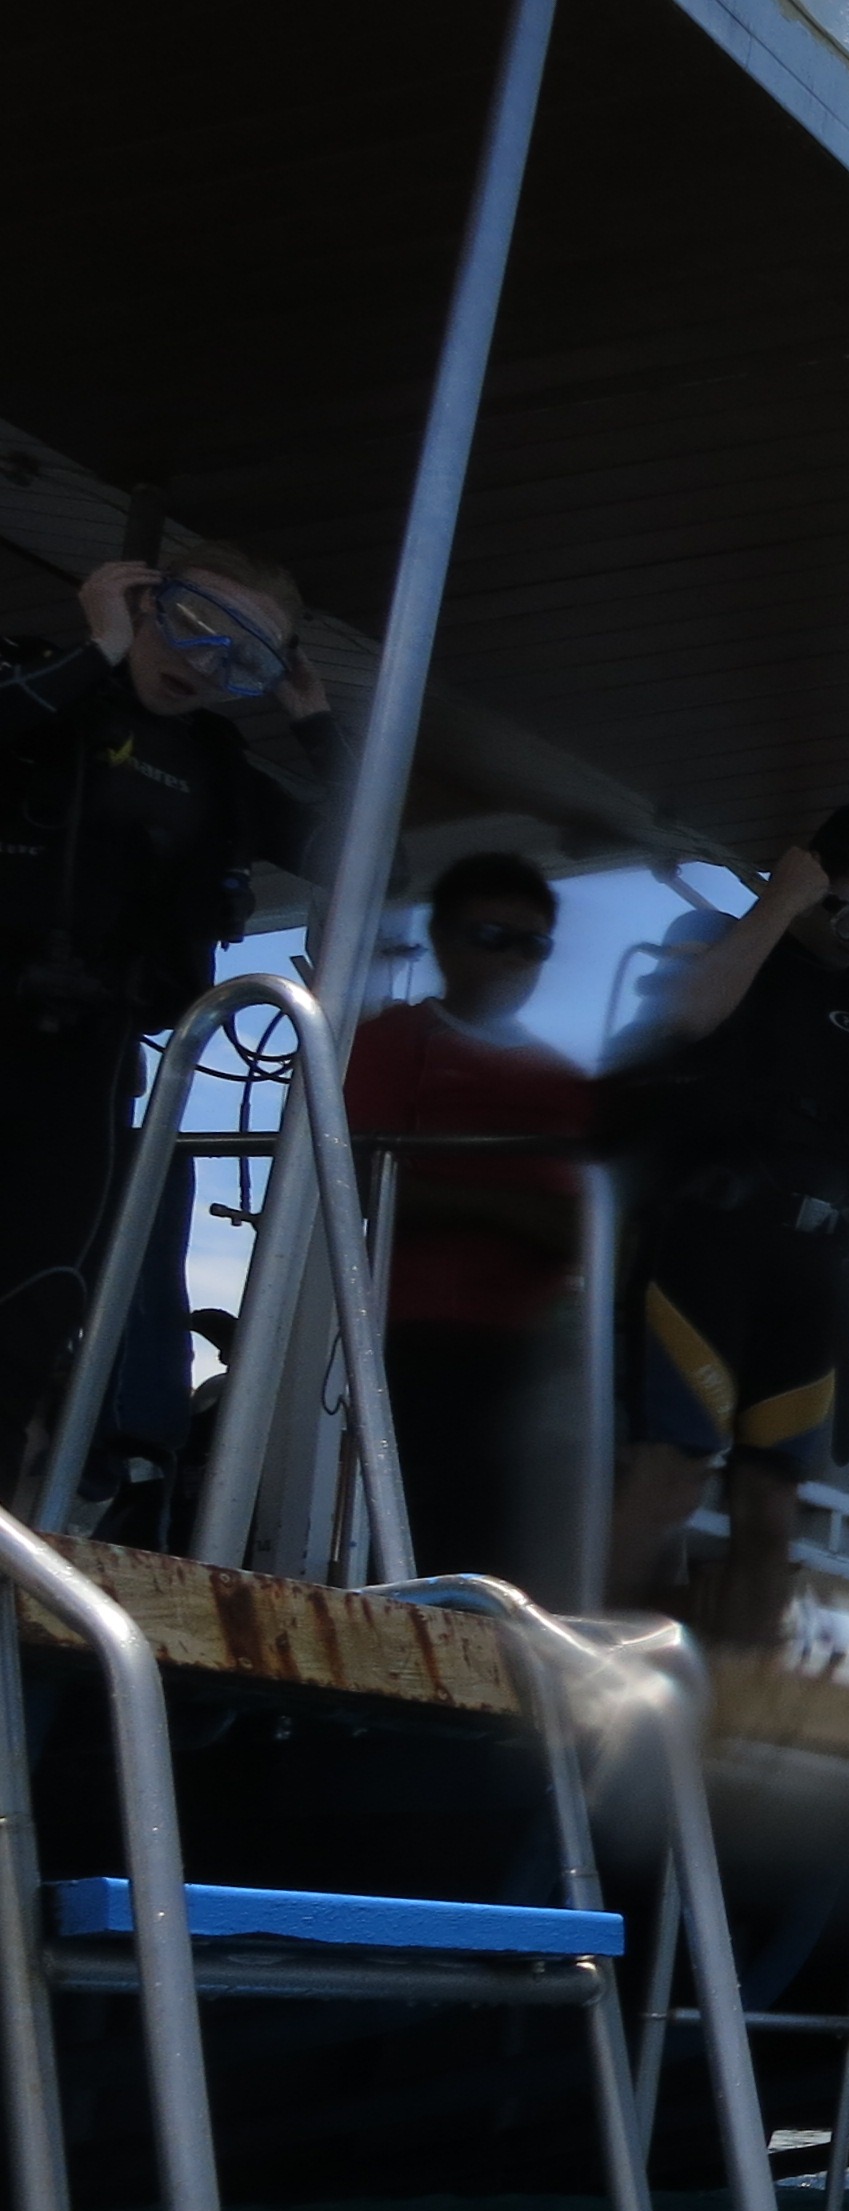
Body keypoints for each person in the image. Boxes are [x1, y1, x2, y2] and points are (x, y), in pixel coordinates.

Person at [604, 803, 849, 1645]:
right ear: (817, 878)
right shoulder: (723, 940)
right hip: (709, 1249)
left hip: (812, 1272)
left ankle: (733, 1709)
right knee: (669, 1477)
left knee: (770, 1508)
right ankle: (579, 1669)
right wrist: (780, 905)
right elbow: (686, 1022)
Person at [0, 544, 337, 1505]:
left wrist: (314, 722)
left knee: (24, 1328)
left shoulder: (219, 775)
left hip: (88, 1071)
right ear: (142, 602)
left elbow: (374, 854)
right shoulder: (38, 688)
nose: (205, 663)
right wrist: (96, 650)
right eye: (194, 624)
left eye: (247, 660)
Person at [340, 853, 594, 1585]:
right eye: (493, 936)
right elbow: (355, 1178)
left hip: (542, 1363)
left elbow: (589, 1227)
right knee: (426, 1546)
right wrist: (512, 1210)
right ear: (444, 940)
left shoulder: (565, 1082)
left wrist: (461, 1193)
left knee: (524, 1565)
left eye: (533, 944)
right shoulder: (389, 1045)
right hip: (410, 1346)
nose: (515, 958)